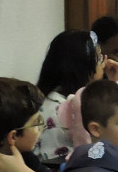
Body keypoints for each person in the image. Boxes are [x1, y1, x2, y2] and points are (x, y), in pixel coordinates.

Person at [37, 30, 106, 164]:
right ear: (82, 66)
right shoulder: (62, 108)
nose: (104, 64)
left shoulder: (52, 98)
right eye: (99, 58)